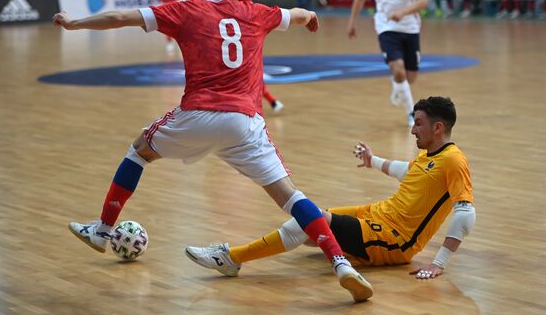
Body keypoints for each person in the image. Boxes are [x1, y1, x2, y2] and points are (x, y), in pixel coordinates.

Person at [52, 0, 373, 303]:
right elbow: (296, 13)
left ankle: (103, 230)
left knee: (139, 150)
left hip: (199, 115)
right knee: (291, 197)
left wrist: (75, 24)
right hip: (246, 123)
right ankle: (340, 263)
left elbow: (119, 17)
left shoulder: (184, 10)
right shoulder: (254, 12)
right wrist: (309, 17)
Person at [186, 96, 476, 282]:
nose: (413, 130)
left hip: (394, 239)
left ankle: (231, 257)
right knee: (309, 227)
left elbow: (466, 215)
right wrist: (372, 161)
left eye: (419, 124)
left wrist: (439, 263)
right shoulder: (430, 155)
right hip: (375, 215)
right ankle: (345, 252)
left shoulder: (453, 160)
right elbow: (409, 172)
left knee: (310, 220)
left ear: (438, 128)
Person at [347, 0, 428, 127]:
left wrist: (403, 12)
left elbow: (423, 1)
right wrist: (352, 22)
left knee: (410, 77)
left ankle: (398, 86)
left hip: (410, 28)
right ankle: (411, 113)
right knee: (399, 70)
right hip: (386, 29)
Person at [214, 0, 284, 113]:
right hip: (217, 40)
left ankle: (268, 101)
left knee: (250, 73)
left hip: (239, 39)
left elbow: (252, 11)